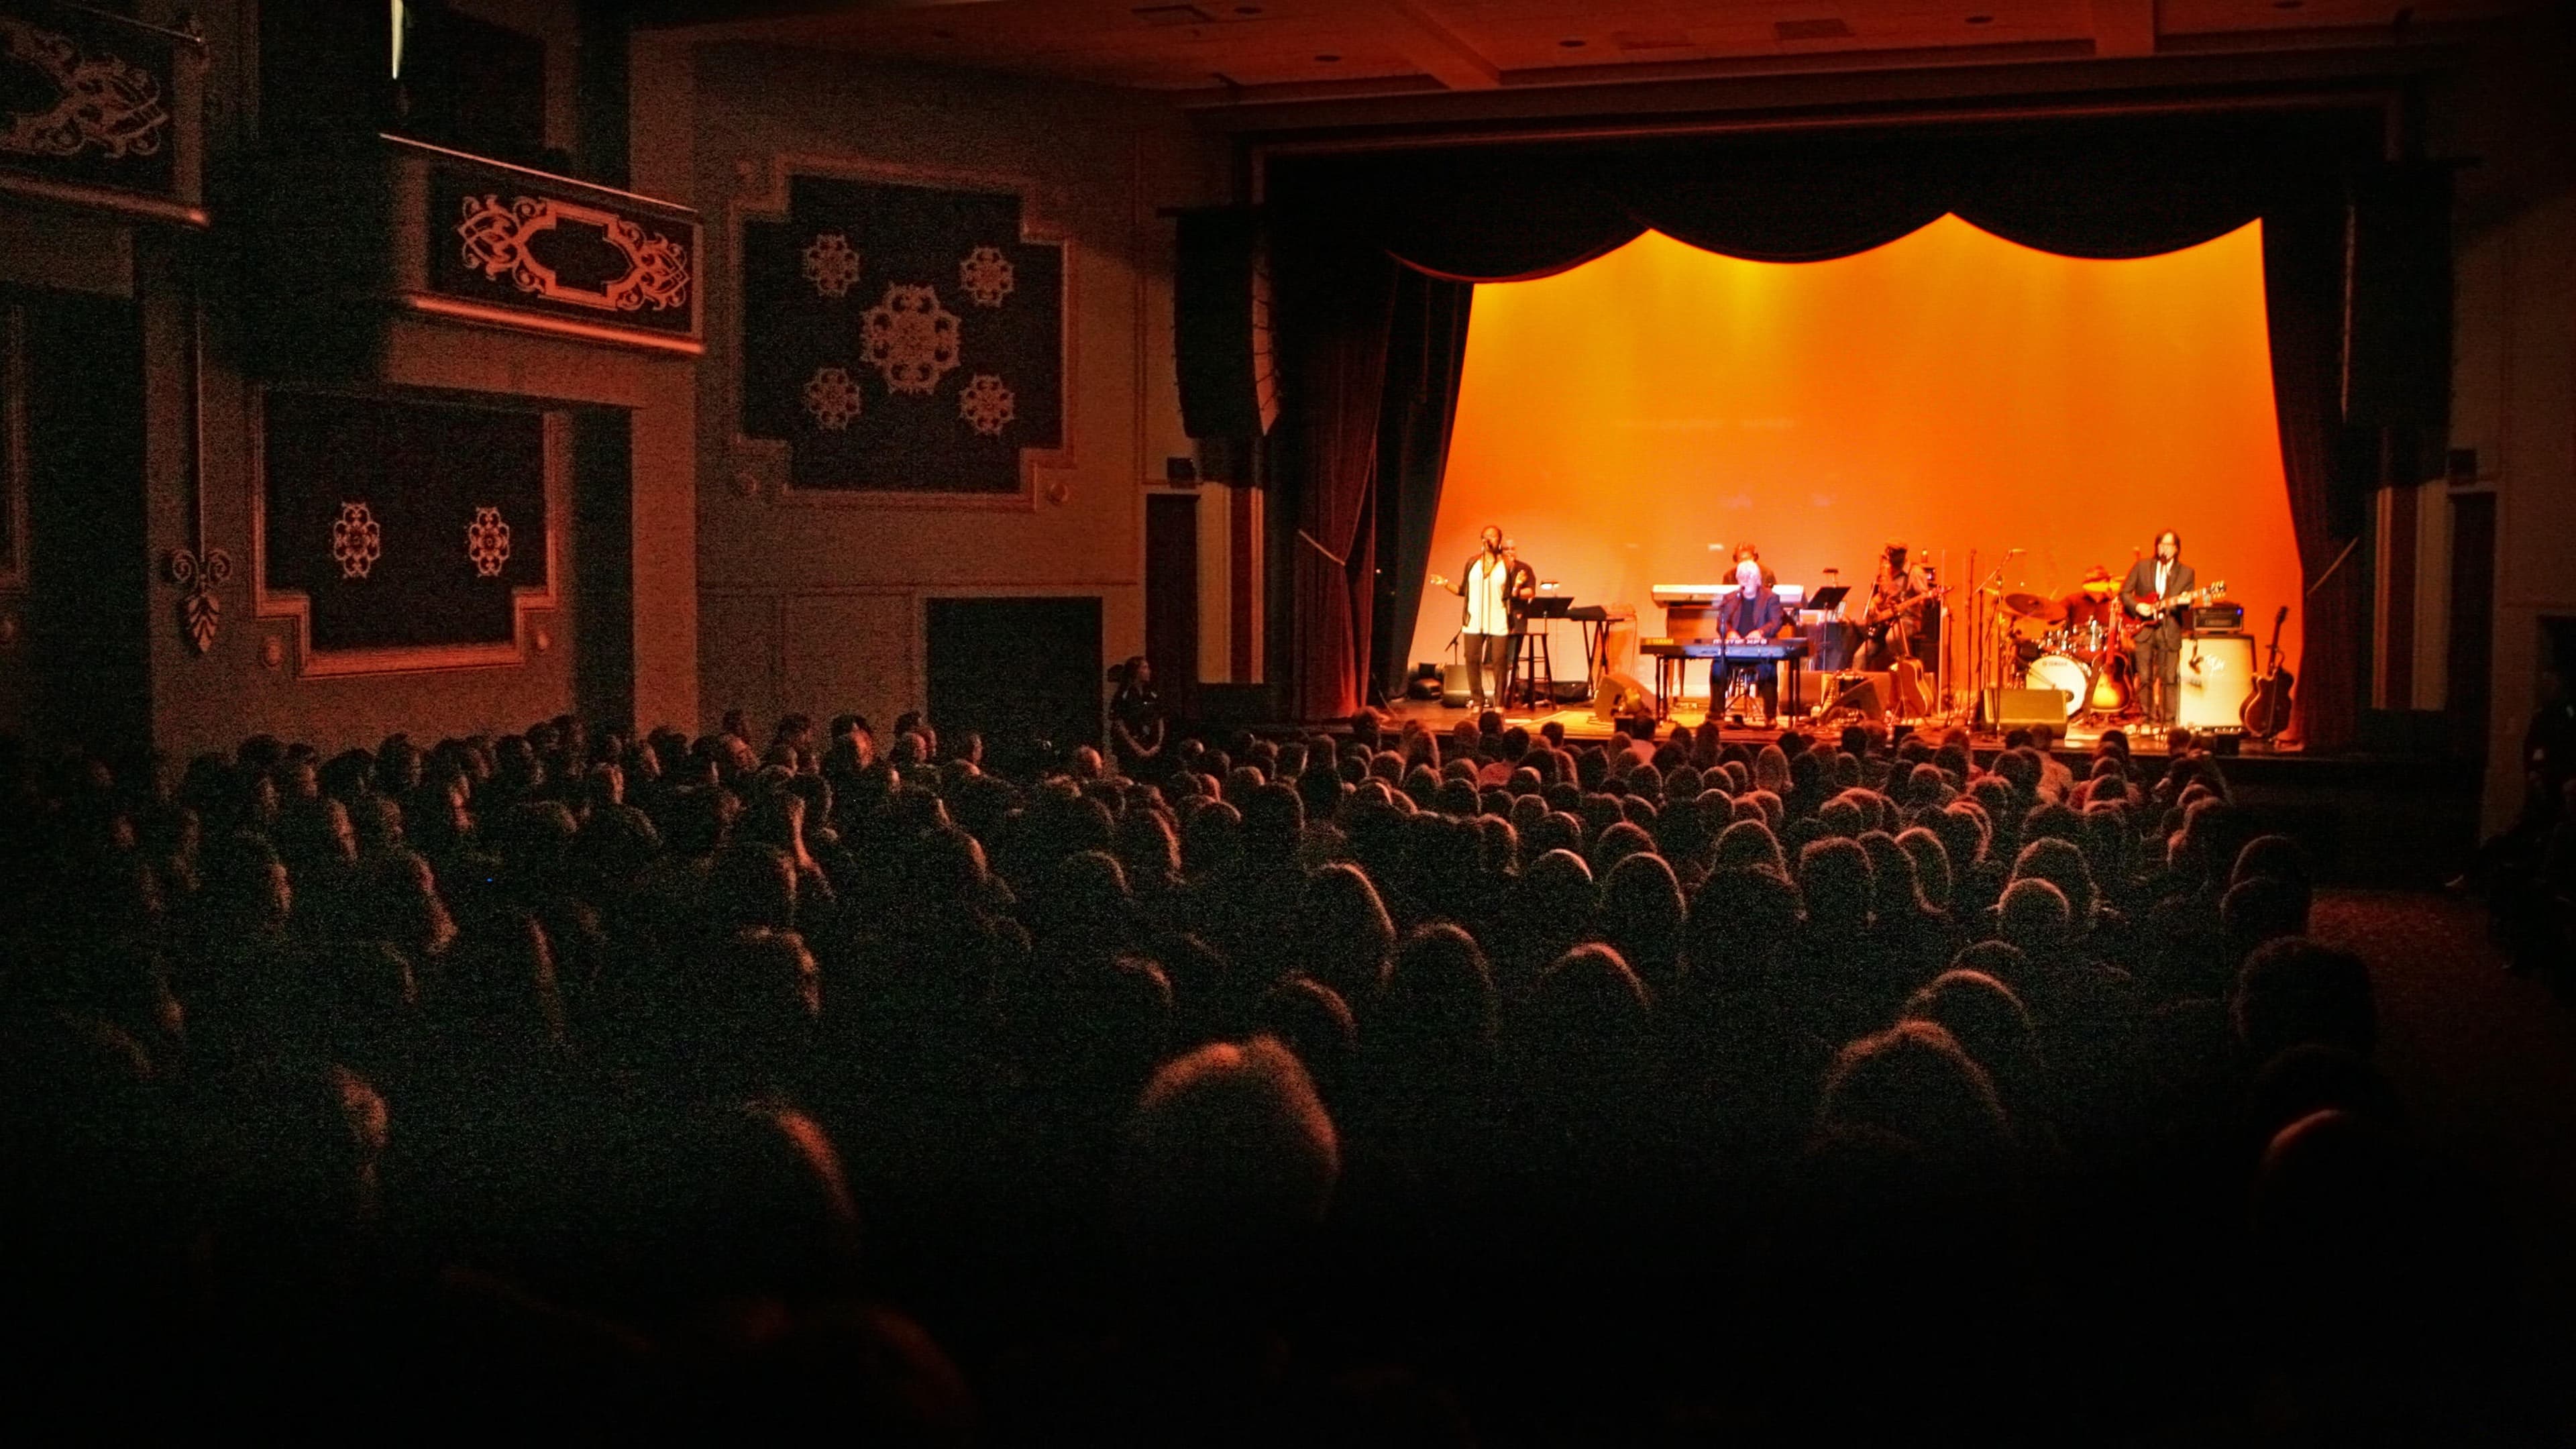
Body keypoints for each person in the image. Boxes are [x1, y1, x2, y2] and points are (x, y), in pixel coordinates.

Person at [2118, 531, 2197, 727]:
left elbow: (2187, 604)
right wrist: (2137, 606)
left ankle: (2168, 721)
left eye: (2169, 545)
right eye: (2162, 544)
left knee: (2169, 677)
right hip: (2144, 629)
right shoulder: (2142, 567)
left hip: (2169, 628)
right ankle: (2148, 719)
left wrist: (2187, 602)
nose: (2165, 548)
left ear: (2177, 549)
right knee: (2145, 677)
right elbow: (2125, 593)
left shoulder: (2187, 572)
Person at [1430, 525, 1512, 711]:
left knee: (1499, 660)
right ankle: (1477, 700)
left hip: (1498, 618)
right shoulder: (1472, 562)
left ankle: (1499, 702)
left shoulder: (1507, 564)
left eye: (1492, 536)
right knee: (1472, 659)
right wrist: (1444, 583)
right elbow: (1463, 590)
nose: (1488, 539)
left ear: (1499, 540)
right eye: (1485, 536)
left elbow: (1511, 594)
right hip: (1474, 619)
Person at [1715, 557, 1789, 721]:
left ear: (1758, 579)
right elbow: (1722, 623)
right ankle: (1716, 714)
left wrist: (1761, 632)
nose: (1745, 580)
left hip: (1760, 651)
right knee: (1718, 664)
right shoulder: (1730, 598)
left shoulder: (1770, 598)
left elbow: (1776, 622)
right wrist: (1730, 632)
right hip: (1735, 650)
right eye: (1741, 577)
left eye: (1749, 577)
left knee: (1768, 668)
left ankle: (1770, 716)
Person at [1861, 542, 1925, 671]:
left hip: (1907, 619)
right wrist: (1873, 602)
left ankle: (1904, 672)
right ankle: (1856, 688)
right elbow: (1881, 596)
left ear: (1902, 556)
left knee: (1891, 639)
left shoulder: (1915, 572)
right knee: (1860, 656)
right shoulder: (1886, 571)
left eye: (1893, 557)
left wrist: (1927, 601)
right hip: (1885, 621)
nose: (1889, 561)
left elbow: (1924, 598)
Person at [1495, 540, 1542, 709]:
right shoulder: (1495, 568)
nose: (1509, 551)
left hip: (1516, 618)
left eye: (1512, 548)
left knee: (1512, 657)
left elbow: (1530, 592)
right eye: (1505, 549)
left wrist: (1514, 593)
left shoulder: (1524, 568)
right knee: (1496, 658)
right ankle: (1495, 693)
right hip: (1496, 617)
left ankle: (1511, 693)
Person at [1109, 655, 1166, 776]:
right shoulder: (1123, 696)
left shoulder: (1152, 694)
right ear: (1135, 671)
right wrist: (1138, 749)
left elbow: (1160, 718)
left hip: (1152, 747)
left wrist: (1158, 744)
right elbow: (1119, 725)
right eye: (1145, 668)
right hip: (1131, 750)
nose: (1149, 671)